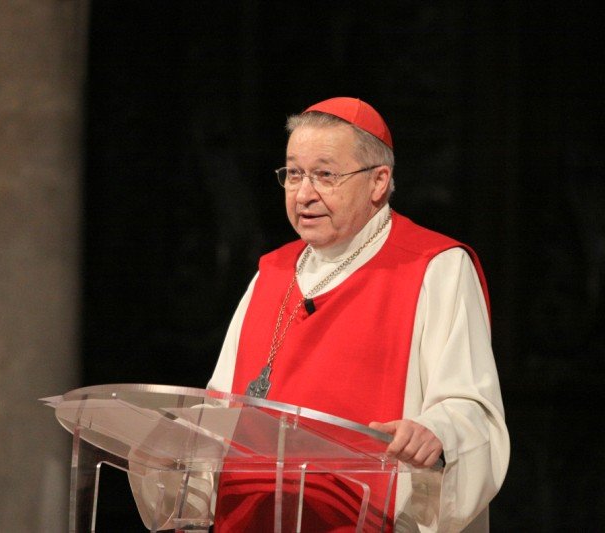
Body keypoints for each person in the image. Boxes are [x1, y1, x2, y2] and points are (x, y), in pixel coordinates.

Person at [204, 97, 510, 532]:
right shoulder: (271, 273)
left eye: (325, 175)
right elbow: (218, 409)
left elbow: (471, 406)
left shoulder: (432, 267)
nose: (304, 193)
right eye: (293, 174)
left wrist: (435, 432)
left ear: (378, 182)